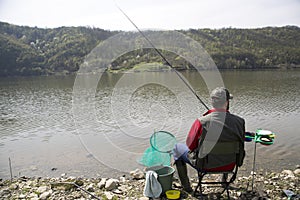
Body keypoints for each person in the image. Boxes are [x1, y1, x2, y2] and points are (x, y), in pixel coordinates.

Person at [173, 87, 245, 193]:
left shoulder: (201, 121)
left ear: (212, 102)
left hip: (205, 165)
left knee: (177, 149)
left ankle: (187, 187)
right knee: (227, 145)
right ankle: (224, 180)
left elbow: (190, 146)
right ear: (227, 102)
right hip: (230, 164)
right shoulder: (240, 122)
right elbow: (240, 140)